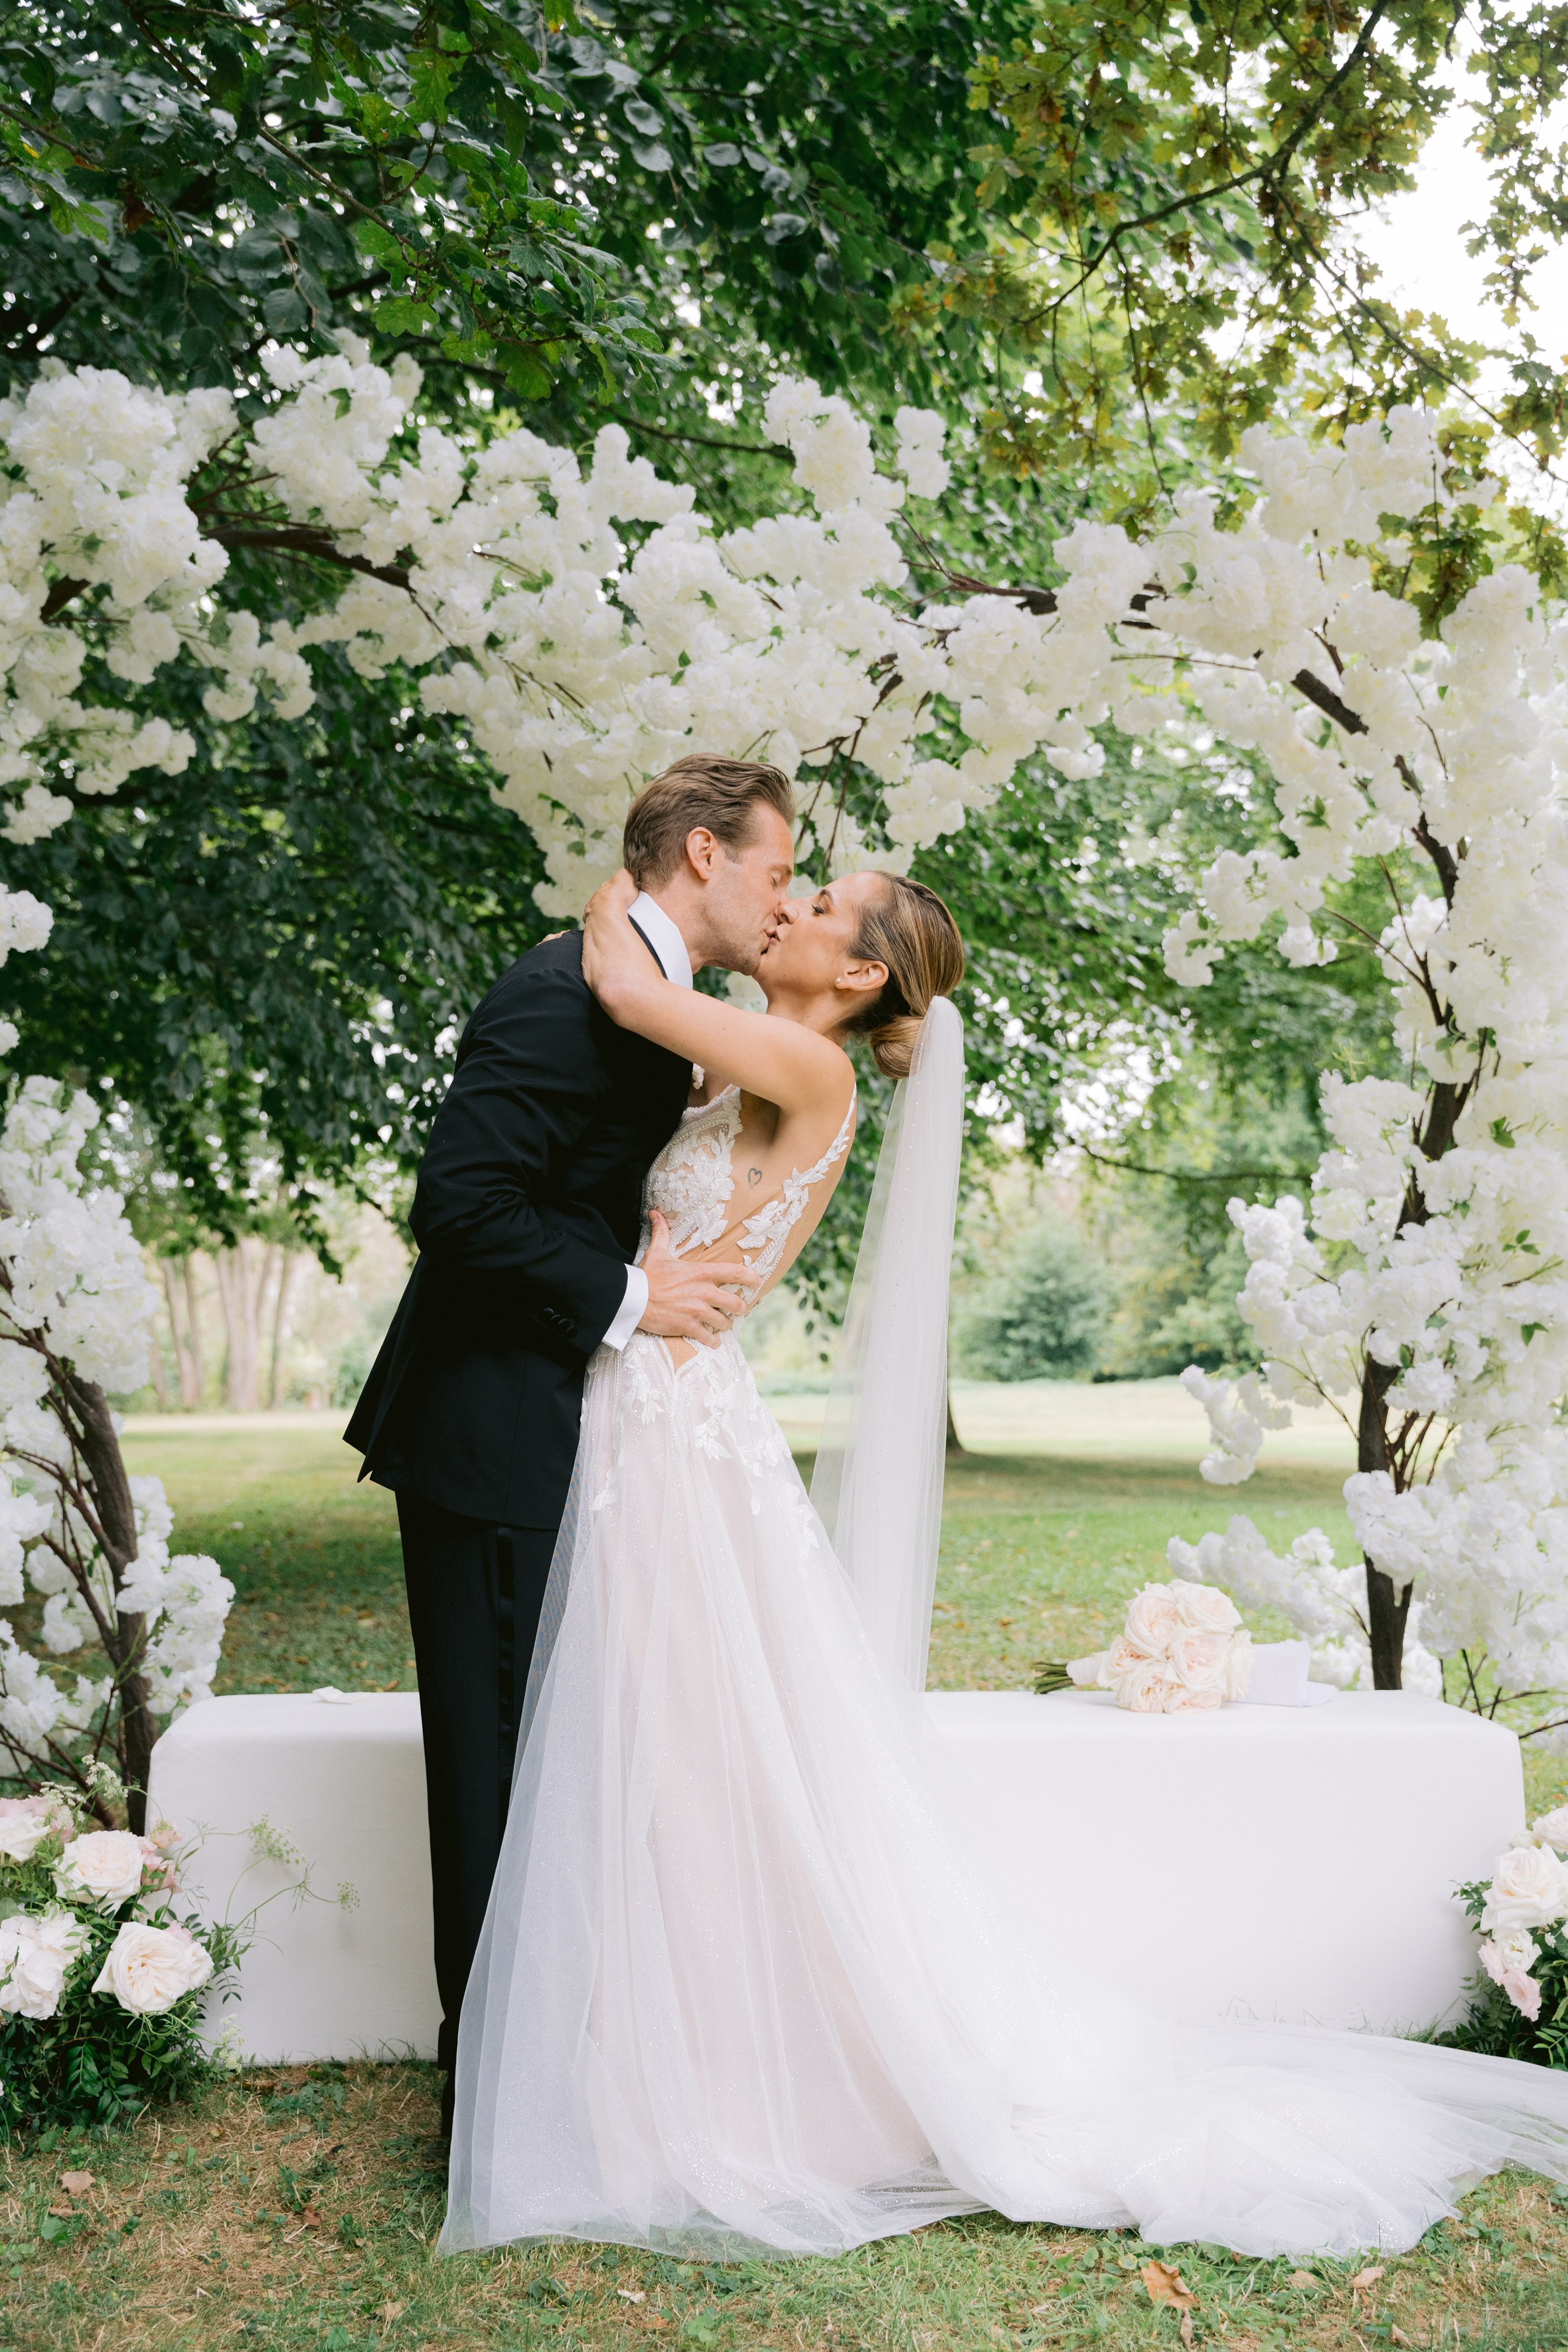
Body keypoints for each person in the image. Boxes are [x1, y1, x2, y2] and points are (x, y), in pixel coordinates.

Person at [443, 860, 1568, 2264]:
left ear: (857, 977)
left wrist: (640, 873)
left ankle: (695, 2071)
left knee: (676, 1741)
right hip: (662, 1410)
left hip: (674, 1426)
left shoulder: (801, 1058)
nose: (780, 909)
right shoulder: (755, 1059)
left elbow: (620, 983)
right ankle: (651, 2041)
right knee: (678, 1742)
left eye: (811, 901)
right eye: (780, 889)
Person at [344, 755, 797, 2130]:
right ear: (703, 855)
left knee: (547, 1760)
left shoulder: (647, 1000)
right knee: (493, 1773)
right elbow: (462, 1204)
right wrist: (629, 1294)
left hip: (565, 1434)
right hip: (490, 1432)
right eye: (777, 867)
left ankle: (544, 2070)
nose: (785, 895)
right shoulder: (560, 992)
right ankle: (488, 2099)